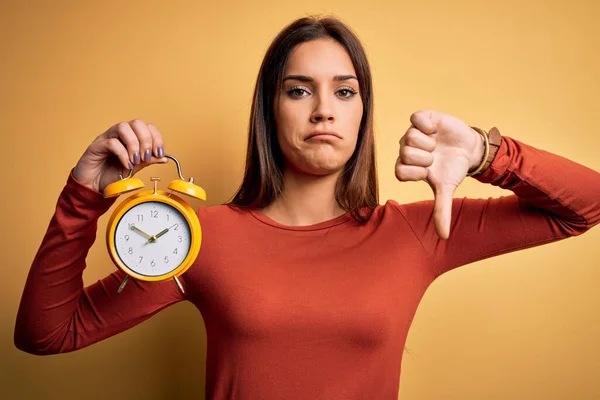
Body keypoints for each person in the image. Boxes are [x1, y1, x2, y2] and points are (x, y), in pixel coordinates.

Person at [14, 15, 600, 399]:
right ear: (270, 111)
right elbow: (47, 332)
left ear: (362, 113)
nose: (324, 109)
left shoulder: (419, 230)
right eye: (299, 90)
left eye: (344, 91)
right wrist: (84, 192)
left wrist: (485, 152)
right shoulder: (199, 237)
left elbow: (585, 206)